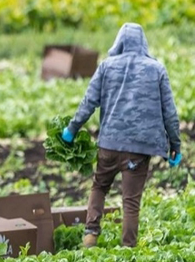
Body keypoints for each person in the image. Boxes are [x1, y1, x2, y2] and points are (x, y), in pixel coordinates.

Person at [62, 23, 181, 248]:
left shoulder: (106, 67)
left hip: (109, 144)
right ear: (143, 43)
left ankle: (90, 235)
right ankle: (128, 250)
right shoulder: (156, 69)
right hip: (139, 149)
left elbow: (89, 102)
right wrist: (175, 145)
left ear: (119, 42)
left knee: (99, 186)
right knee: (131, 202)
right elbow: (170, 113)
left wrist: (71, 129)